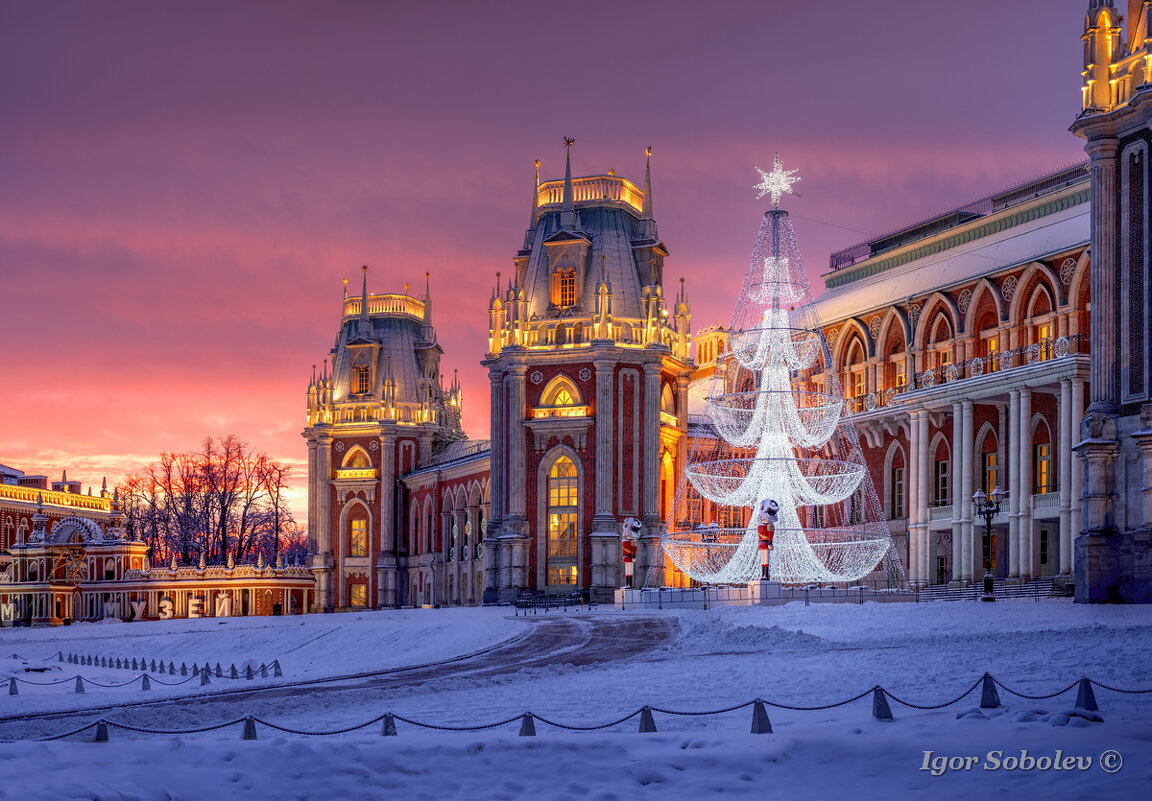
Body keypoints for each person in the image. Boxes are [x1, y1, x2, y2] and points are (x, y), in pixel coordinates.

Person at [757, 499, 779, 579]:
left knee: (766, 559)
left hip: (766, 543)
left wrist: (770, 543)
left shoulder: (769, 526)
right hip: (762, 543)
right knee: (763, 559)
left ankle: (766, 575)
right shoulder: (762, 524)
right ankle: (763, 574)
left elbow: (770, 534)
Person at [621, 517, 642, 588]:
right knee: (628, 570)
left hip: (628, 557)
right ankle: (628, 584)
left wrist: (633, 556)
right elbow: (634, 548)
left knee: (629, 570)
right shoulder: (631, 540)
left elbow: (634, 548)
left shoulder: (629, 540)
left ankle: (629, 584)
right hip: (628, 556)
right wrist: (634, 556)